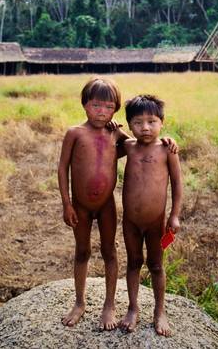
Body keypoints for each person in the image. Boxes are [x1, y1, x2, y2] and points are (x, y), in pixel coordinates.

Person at [58, 78, 177, 331]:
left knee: (110, 251)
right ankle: (79, 303)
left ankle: (109, 305)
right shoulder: (75, 133)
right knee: (82, 252)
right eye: (96, 105)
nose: (102, 112)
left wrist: (167, 140)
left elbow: (142, 142)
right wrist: (66, 203)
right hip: (79, 205)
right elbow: (62, 168)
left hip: (107, 206)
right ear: (84, 105)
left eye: (108, 107)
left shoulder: (116, 134)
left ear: (115, 109)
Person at [119, 94, 183, 337]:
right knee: (134, 262)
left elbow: (177, 184)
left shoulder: (167, 148)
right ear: (129, 123)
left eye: (151, 121)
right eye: (137, 122)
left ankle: (159, 311)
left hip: (157, 222)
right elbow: (112, 137)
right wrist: (114, 130)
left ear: (162, 122)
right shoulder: (127, 146)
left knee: (156, 265)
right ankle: (133, 308)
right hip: (130, 222)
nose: (145, 127)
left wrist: (174, 216)